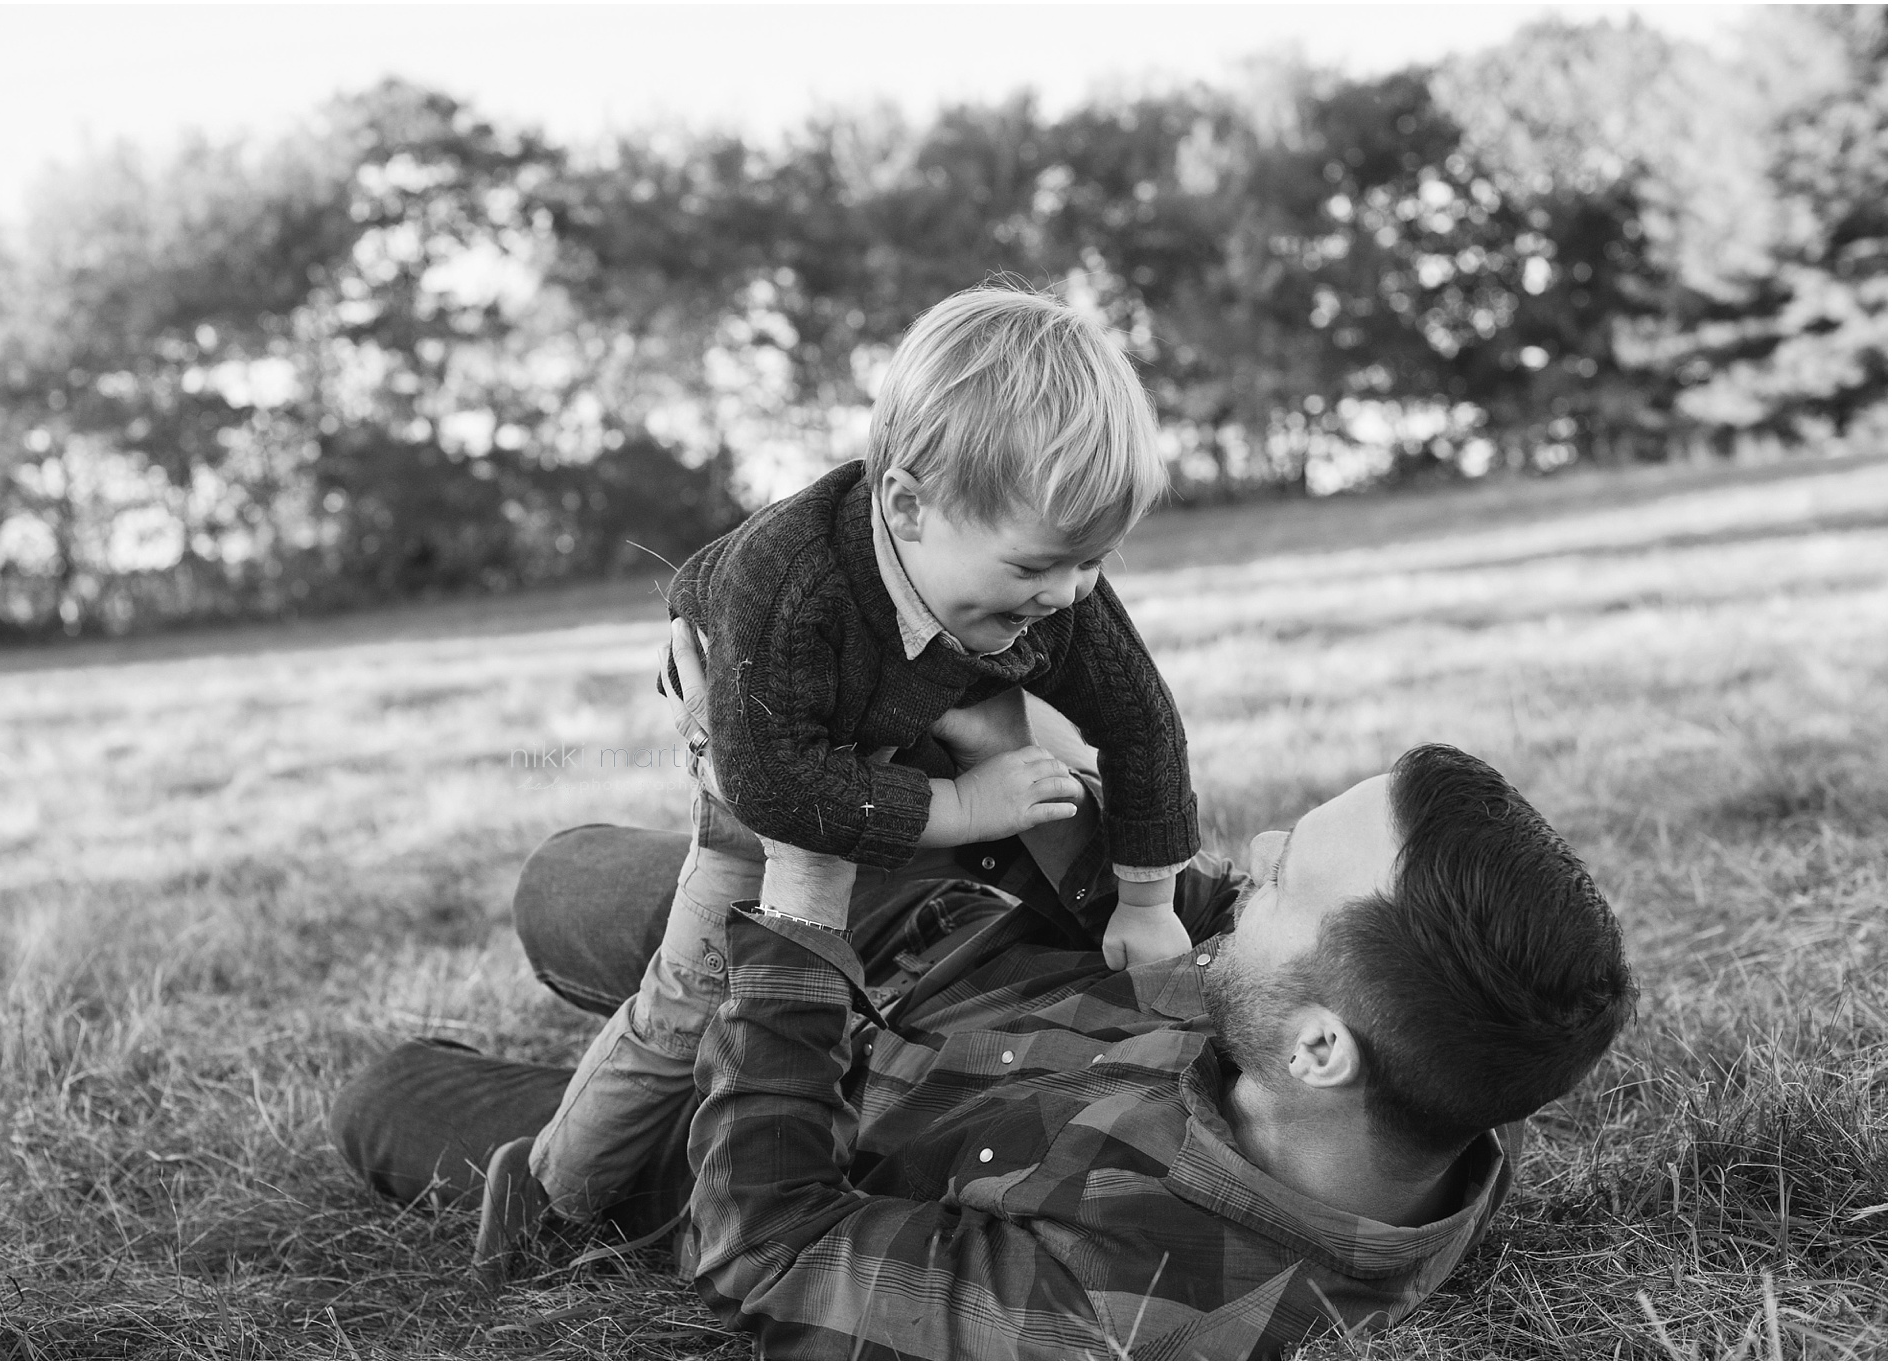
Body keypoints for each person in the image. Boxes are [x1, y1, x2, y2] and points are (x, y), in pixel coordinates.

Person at [330, 624, 1639, 1358]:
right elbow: (1164, 915)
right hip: (952, 957)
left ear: (1315, 1052)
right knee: (559, 885)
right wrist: (995, 732)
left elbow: (767, 1250)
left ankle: (621, 1058)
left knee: (390, 1098)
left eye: (1295, 879)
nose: (1258, 855)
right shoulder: (1426, 1063)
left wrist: (793, 900)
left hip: (757, 1121)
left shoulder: (1123, 1315)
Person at [526, 283, 1205, 1226]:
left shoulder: (1046, 583)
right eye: (1037, 567)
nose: (1068, 592)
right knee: (690, 1004)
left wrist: (1147, 900)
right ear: (909, 507)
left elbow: (1143, 721)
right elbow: (775, 788)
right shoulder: (792, 586)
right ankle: (550, 1196)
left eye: (1092, 562)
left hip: (892, 720)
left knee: (872, 943)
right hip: (766, 756)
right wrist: (970, 805)